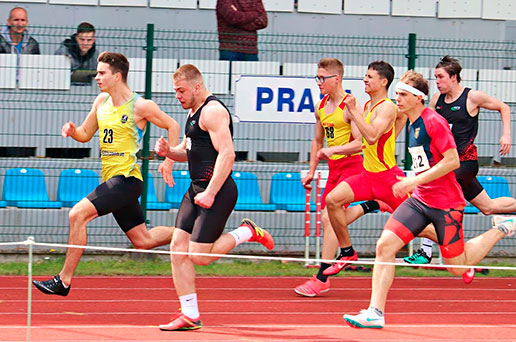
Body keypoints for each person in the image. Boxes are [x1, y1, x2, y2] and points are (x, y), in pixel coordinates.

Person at [342, 71, 516, 329]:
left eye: (403, 95)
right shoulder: (410, 121)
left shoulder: (433, 122)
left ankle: (501, 227)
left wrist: (412, 180)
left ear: (418, 98)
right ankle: (375, 312)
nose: (398, 99)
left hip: (446, 205)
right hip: (419, 201)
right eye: (397, 94)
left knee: (457, 268)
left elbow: (452, 161)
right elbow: (372, 137)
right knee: (385, 246)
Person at [32, 52, 180, 296]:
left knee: (77, 214)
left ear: (117, 76)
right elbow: (85, 133)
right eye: (97, 72)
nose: (97, 77)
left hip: (127, 180)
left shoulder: (140, 106)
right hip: (113, 181)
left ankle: (64, 280)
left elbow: (172, 125)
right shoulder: (101, 102)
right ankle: (189, 232)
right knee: (143, 240)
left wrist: (169, 161)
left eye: (102, 73)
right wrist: (72, 131)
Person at [404, 56, 516, 283]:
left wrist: (506, 134)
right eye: (435, 77)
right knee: (489, 206)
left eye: (441, 77)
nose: (436, 81)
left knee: (433, 192)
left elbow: (503, 107)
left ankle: (426, 251)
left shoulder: (472, 97)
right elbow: (427, 123)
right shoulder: (437, 99)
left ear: (454, 77)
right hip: (446, 163)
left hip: (464, 162)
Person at [155, 64, 274, 331]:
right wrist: (168, 152)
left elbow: (227, 154)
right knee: (177, 248)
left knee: (199, 256)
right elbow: (191, 152)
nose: (178, 96)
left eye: (181, 90)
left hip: (217, 191)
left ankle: (246, 231)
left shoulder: (214, 111)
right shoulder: (193, 111)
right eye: (176, 91)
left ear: (197, 87)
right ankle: (190, 314)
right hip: (196, 188)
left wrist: (210, 192)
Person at [294, 58, 390, 297]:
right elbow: (318, 141)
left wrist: (334, 150)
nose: (318, 82)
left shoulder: (350, 105)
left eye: (322, 78)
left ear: (336, 79)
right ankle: (372, 204)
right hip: (334, 169)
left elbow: (360, 144)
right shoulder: (320, 106)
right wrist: (312, 171)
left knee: (329, 218)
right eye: (317, 78)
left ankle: (322, 277)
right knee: (329, 218)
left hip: (353, 167)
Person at [322, 61, 409, 276]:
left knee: (420, 223)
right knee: (332, 201)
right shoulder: (369, 106)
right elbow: (367, 139)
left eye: (369, 77)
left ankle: (456, 246)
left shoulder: (387, 106)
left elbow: (370, 137)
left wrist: (353, 111)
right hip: (368, 176)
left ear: (383, 81)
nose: (364, 80)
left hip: (388, 179)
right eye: (365, 75)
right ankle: (347, 252)